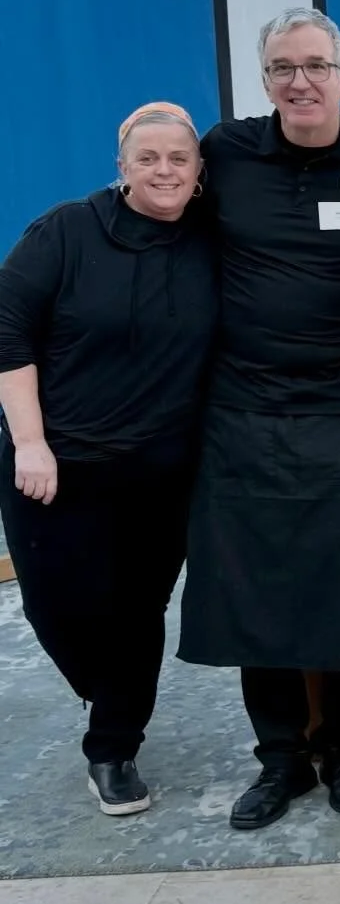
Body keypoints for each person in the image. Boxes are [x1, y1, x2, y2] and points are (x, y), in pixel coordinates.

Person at [180, 9, 340, 831]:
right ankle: (281, 757)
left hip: (339, 402)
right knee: (255, 587)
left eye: (316, 66)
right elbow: (154, 189)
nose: (300, 81)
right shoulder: (225, 152)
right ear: (264, 83)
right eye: (284, 68)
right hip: (242, 404)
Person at [0, 104, 218, 815]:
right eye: (147, 158)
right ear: (122, 166)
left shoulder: (212, 239)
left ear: (198, 171)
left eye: (177, 159)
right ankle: (106, 685)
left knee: (137, 611)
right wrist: (30, 443)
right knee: (54, 607)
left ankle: (113, 745)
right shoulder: (65, 231)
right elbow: (9, 335)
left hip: (161, 470)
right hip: (55, 466)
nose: (163, 171)